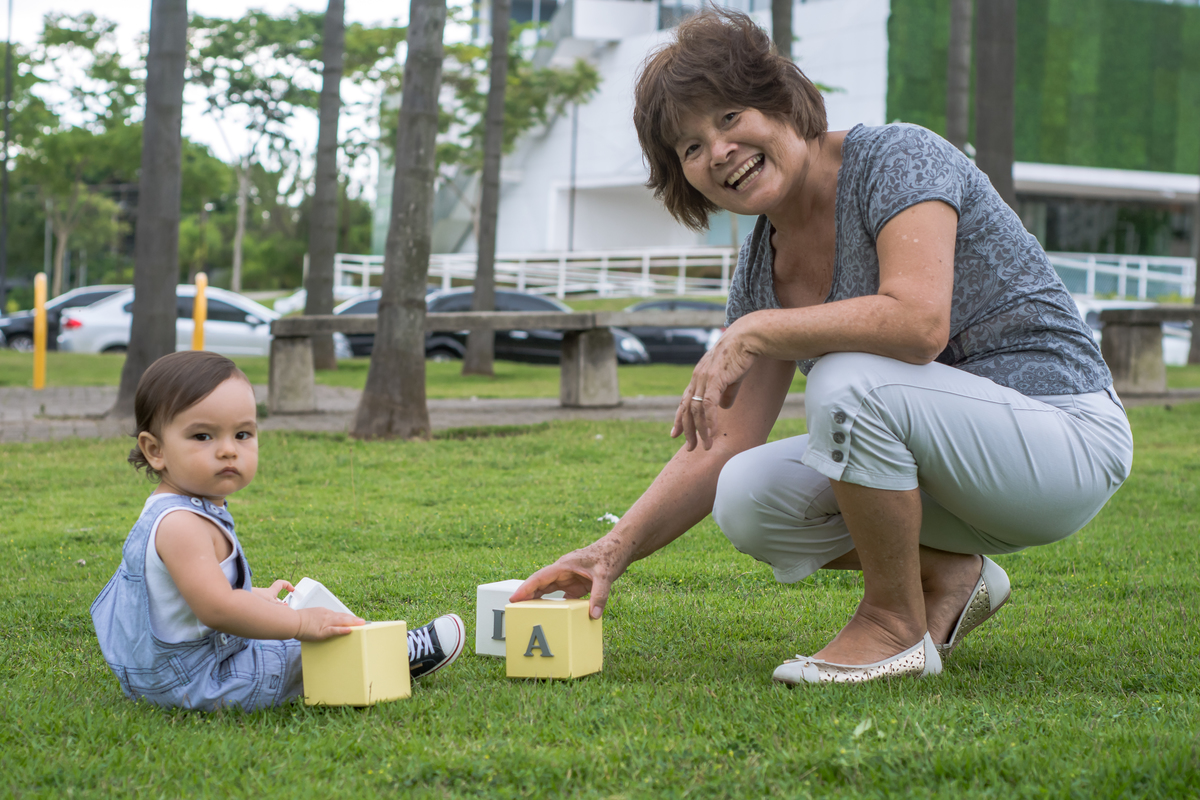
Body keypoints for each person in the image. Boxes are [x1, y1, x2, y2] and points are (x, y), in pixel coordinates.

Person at [513, 10, 1133, 685]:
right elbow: (722, 445)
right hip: (953, 476)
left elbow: (917, 323)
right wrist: (612, 550)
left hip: (1062, 441)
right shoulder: (760, 269)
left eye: (727, 118)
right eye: (689, 147)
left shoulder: (896, 158)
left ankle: (895, 627)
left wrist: (757, 330)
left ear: (781, 101)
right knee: (745, 494)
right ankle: (947, 576)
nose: (717, 151)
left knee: (846, 376)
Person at [91, 351, 464, 710]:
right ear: (155, 450)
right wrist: (299, 623)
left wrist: (249, 596)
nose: (227, 451)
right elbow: (217, 608)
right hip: (199, 679)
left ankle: (375, 641)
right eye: (203, 436)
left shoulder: (176, 508)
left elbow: (184, 596)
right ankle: (396, 655)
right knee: (305, 648)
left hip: (165, 673)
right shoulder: (181, 525)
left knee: (298, 628)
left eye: (242, 434)